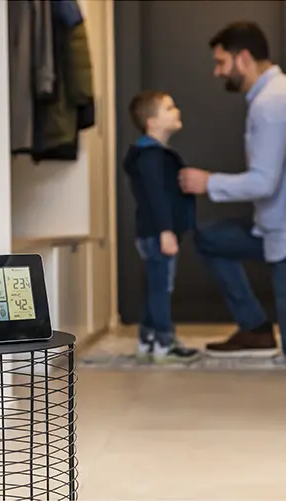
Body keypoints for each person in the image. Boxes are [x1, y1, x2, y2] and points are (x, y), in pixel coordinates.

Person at [179, 21, 286, 358]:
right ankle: (255, 329)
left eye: (221, 62)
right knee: (211, 237)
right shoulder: (270, 97)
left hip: (283, 232)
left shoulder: (271, 103)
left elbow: (264, 183)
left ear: (243, 59)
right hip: (269, 225)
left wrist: (207, 182)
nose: (217, 72)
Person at [124, 90, 200, 363]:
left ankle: (148, 339)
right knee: (161, 288)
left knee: (155, 286)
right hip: (158, 233)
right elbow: (156, 196)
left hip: (152, 232)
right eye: (169, 108)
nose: (177, 111)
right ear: (152, 122)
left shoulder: (150, 156)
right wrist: (166, 231)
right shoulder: (151, 158)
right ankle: (164, 342)